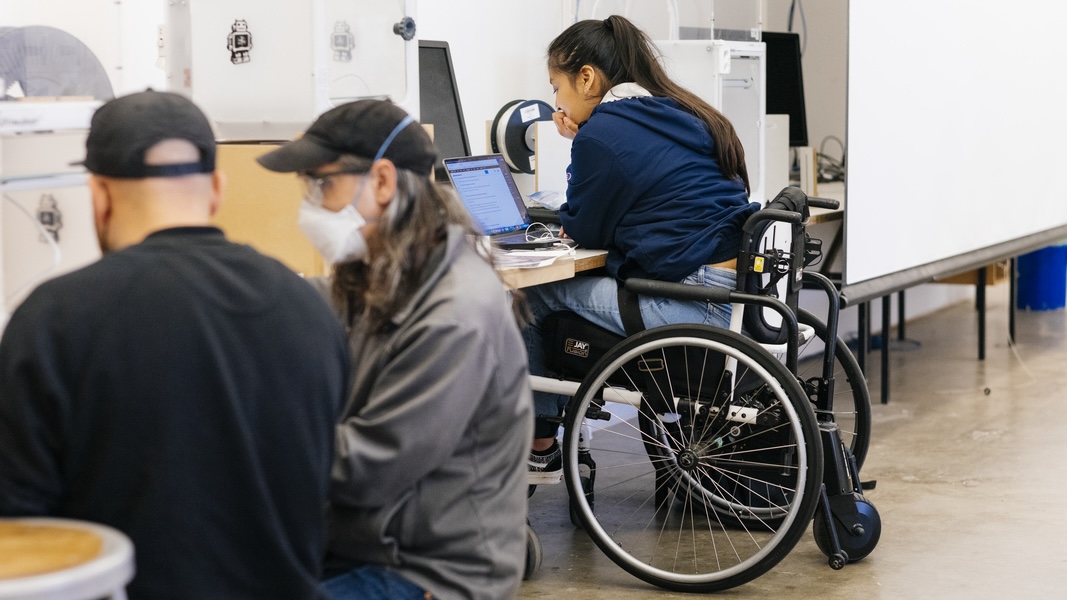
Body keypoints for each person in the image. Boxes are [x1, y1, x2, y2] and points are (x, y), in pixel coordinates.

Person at [0, 91, 350, 599]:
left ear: (98, 195)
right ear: (216, 189)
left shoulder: (54, 320)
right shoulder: (308, 308)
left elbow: (21, 536)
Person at [256, 99, 533, 600]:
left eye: (323, 185)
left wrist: (246, 437)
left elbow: (368, 466)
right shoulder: (377, 274)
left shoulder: (456, 313)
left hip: (428, 571)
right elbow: (304, 313)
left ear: (382, 182)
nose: (311, 206)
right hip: (363, 543)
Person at [523, 15, 762, 480]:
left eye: (557, 87)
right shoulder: (678, 111)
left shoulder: (604, 134)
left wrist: (582, 146)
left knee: (530, 297)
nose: (556, 100)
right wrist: (586, 142)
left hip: (695, 303)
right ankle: (559, 427)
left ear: (587, 78)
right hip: (733, 293)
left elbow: (586, 229)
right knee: (580, 283)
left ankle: (542, 444)